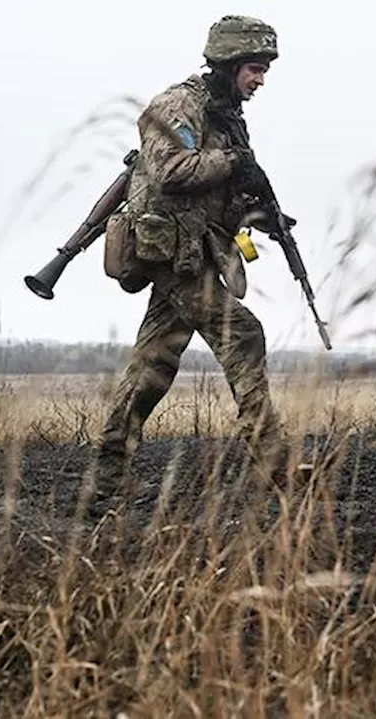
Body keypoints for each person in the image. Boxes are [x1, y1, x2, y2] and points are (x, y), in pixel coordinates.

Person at [92, 15, 299, 495]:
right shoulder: (179, 104)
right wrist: (234, 163)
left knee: (154, 362)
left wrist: (258, 214)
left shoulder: (224, 115)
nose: (260, 80)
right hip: (170, 252)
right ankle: (274, 465)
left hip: (192, 251)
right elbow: (169, 170)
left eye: (264, 69)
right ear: (228, 63)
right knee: (244, 335)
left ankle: (108, 471)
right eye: (254, 68)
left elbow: (213, 196)